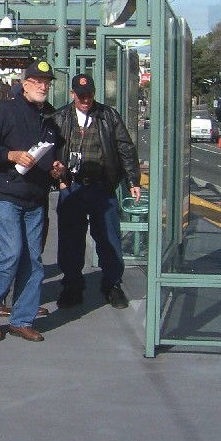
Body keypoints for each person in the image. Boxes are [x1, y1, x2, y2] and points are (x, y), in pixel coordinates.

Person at [0, 60, 65, 342]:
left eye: (46, 82)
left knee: (32, 260)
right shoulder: (2, 113)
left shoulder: (49, 118)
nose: (43, 86)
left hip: (35, 197)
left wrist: (56, 169)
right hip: (5, 195)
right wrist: (10, 155)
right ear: (24, 85)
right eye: (37, 81)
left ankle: (21, 320)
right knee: (10, 253)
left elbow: (52, 155)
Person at [52, 73, 141, 310]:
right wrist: (58, 181)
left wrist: (133, 180)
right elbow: (50, 151)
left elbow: (125, 148)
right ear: (72, 95)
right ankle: (72, 284)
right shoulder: (60, 117)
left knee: (109, 239)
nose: (85, 99)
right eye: (81, 96)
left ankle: (112, 284)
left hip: (102, 187)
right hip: (72, 187)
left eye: (89, 94)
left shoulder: (108, 116)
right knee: (70, 241)